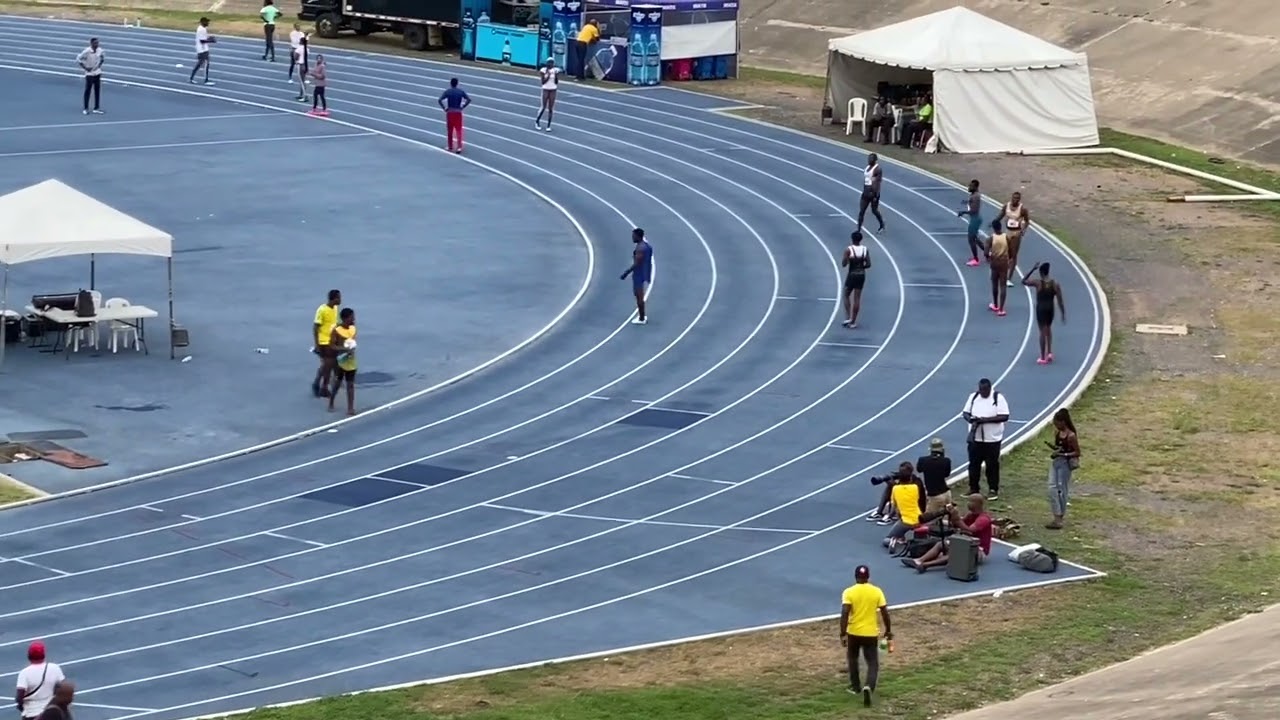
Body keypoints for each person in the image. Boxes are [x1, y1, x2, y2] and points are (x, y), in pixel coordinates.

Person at [839, 565, 891, 708]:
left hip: (853, 632)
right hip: (870, 633)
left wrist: (842, 633)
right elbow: (885, 612)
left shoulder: (849, 592)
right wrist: (888, 630)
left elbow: (844, 613)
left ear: (855, 577)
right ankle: (869, 686)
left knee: (853, 659)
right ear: (868, 577)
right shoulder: (876, 591)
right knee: (873, 663)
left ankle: (855, 687)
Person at [904, 494, 993, 572]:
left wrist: (957, 519)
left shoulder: (983, 519)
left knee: (956, 554)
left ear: (978, 504)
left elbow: (970, 530)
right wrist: (952, 516)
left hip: (979, 550)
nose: (968, 503)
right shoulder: (970, 515)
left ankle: (926, 565)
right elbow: (956, 525)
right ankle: (919, 560)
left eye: (971, 501)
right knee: (941, 544)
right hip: (966, 544)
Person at [962, 378, 1010, 501]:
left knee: (992, 465)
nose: (982, 392)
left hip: (992, 440)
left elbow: (1005, 416)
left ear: (989, 388)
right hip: (975, 438)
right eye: (980, 389)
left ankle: (993, 489)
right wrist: (971, 420)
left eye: (984, 390)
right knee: (973, 465)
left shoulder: (998, 398)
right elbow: (965, 413)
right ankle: (973, 488)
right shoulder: (973, 397)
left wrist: (985, 420)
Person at [1022, 262, 1066, 364]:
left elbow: (1023, 281)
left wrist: (1032, 269)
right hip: (1050, 309)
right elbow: (1060, 301)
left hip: (1041, 309)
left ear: (1041, 272)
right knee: (1048, 328)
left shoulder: (1038, 283)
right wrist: (1063, 313)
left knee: (1042, 332)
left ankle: (1042, 357)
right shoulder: (1055, 284)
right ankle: (1049, 352)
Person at [1047, 407, 1080, 529]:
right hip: (1056, 461)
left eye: (1057, 423)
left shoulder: (1071, 436)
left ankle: (1059, 517)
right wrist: (1055, 449)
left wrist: (1063, 454)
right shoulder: (1057, 433)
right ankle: (1056, 514)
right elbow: (1058, 447)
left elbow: (1077, 452)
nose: (1055, 425)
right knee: (1051, 487)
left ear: (1063, 422)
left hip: (1065, 464)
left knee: (1062, 489)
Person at [883, 462, 926, 549]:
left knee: (886, 540)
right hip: (919, 518)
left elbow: (894, 508)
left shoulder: (895, 489)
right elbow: (916, 500)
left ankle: (894, 540)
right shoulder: (915, 487)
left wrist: (889, 516)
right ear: (910, 478)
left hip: (906, 522)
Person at [16, 642, 65, 720]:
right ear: (44, 655)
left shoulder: (24, 673)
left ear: (29, 656)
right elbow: (63, 689)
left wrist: (22, 708)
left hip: (32, 714)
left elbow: (19, 697)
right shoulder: (55, 668)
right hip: (51, 713)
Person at [994, 192, 1029, 287]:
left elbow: (1027, 221)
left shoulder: (1022, 209)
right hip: (1008, 232)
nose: (1015, 200)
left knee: (1013, 256)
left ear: (1020, 199)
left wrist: (1023, 230)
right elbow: (1000, 215)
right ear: (1011, 198)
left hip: (1016, 233)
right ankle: (1001, 273)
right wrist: (994, 222)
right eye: (1014, 198)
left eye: (1018, 198)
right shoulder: (1006, 206)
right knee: (1005, 254)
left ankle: (1009, 278)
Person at [619, 227, 653, 325]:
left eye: (633, 236)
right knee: (639, 296)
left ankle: (641, 318)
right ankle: (642, 316)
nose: (632, 238)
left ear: (638, 236)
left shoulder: (640, 249)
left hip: (639, 274)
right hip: (644, 271)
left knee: (639, 296)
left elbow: (637, 263)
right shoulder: (646, 246)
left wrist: (626, 273)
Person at [311, 289, 341, 398]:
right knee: (328, 366)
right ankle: (320, 386)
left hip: (332, 341)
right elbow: (315, 328)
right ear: (333, 299)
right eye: (338, 298)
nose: (340, 300)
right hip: (324, 342)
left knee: (327, 365)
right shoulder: (322, 310)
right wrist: (317, 345)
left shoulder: (335, 308)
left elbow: (334, 324)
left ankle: (319, 385)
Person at [329, 308, 357, 416]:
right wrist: (344, 349)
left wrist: (351, 348)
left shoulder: (353, 329)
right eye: (352, 317)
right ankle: (331, 401)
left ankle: (350, 408)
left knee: (350, 384)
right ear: (346, 318)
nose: (354, 319)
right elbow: (332, 345)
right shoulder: (336, 330)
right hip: (340, 360)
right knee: (337, 383)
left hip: (351, 360)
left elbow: (352, 342)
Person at [840, 230, 870, 328]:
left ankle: (848, 317)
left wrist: (848, 259)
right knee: (857, 298)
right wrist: (861, 267)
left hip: (852, 275)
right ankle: (853, 321)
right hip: (861, 275)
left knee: (846, 294)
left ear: (852, 239)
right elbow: (869, 264)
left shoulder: (849, 249)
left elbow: (844, 264)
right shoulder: (865, 249)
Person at [916, 438, 953, 513]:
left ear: (930, 449)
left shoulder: (923, 460)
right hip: (946, 494)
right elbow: (946, 474)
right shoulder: (946, 461)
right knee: (950, 514)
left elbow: (919, 469)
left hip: (934, 496)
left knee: (927, 520)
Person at [438, 78, 471, 153]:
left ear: (450, 83)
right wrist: (463, 107)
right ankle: (459, 147)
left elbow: (439, 100)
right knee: (459, 130)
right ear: (457, 83)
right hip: (458, 112)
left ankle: (450, 146)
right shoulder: (460, 91)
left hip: (450, 112)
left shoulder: (448, 91)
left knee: (450, 130)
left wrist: (444, 108)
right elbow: (469, 99)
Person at [985, 219, 1009, 316]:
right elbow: (1011, 250)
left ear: (994, 228)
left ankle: (995, 305)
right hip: (1004, 262)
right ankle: (1001, 310)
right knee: (1003, 285)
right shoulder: (1006, 237)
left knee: (994, 284)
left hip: (995, 262)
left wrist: (989, 257)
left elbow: (986, 252)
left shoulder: (990, 238)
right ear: (1000, 227)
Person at [856, 153, 885, 233]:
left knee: (874, 210)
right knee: (861, 211)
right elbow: (867, 179)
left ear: (875, 160)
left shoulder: (877, 169)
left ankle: (882, 224)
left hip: (873, 193)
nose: (869, 160)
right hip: (865, 192)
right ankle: (858, 229)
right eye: (868, 158)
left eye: (871, 159)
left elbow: (878, 182)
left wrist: (876, 194)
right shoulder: (867, 167)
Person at [957, 179, 983, 267]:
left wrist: (963, 212)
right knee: (975, 238)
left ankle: (976, 260)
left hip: (975, 220)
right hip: (975, 219)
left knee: (971, 239)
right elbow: (972, 203)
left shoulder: (975, 196)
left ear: (975, 187)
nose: (969, 187)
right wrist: (967, 202)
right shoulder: (974, 195)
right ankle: (988, 254)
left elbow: (974, 210)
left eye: (971, 186)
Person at [76, 37, 104, 115]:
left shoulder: (100, 50)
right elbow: (78, 58)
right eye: (95, 43)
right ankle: (85, 108)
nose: (97, 44)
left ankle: (96, 108)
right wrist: (85, 68)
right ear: (91, 43)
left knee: (97, 90)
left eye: (97, 43)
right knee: (88, 90)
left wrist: (99, 65)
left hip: (97, 72)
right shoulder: (87, 51)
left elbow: (102, 58)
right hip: (89, 73)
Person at [189, 17, 216, 85]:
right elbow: (202, 41)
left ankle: (193, 78)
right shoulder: (201, 30)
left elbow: (203, 38)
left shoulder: (203, 29)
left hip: (203, 49)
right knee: (203, 64)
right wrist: (211, 40)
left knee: (203, 64)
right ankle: (204, 80)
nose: (208, 23)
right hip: (202, 49)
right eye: (206, 22)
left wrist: (209, 38)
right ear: (202, 22)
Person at [535, 58, 559, 131]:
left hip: (553, 89)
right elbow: (543, 82)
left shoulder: (555, 70)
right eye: (549, 62)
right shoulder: (543, 70)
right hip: (545, 89)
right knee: (543, 107)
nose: (550, 64)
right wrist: (548, 75)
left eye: (552, 63)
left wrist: (555, 75)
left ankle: (548, 126)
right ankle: (537, 121)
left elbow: (556, 82)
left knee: (551, 108)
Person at [292, 36, 309, 102]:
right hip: (305, 65)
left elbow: (296, 57)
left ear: (301, 41)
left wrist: (295, 58)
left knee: (301, 81)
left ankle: (305, 95)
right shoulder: (307, 49)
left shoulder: (299, 48)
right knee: (303, 80)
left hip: (300, 65)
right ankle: (301, 94)